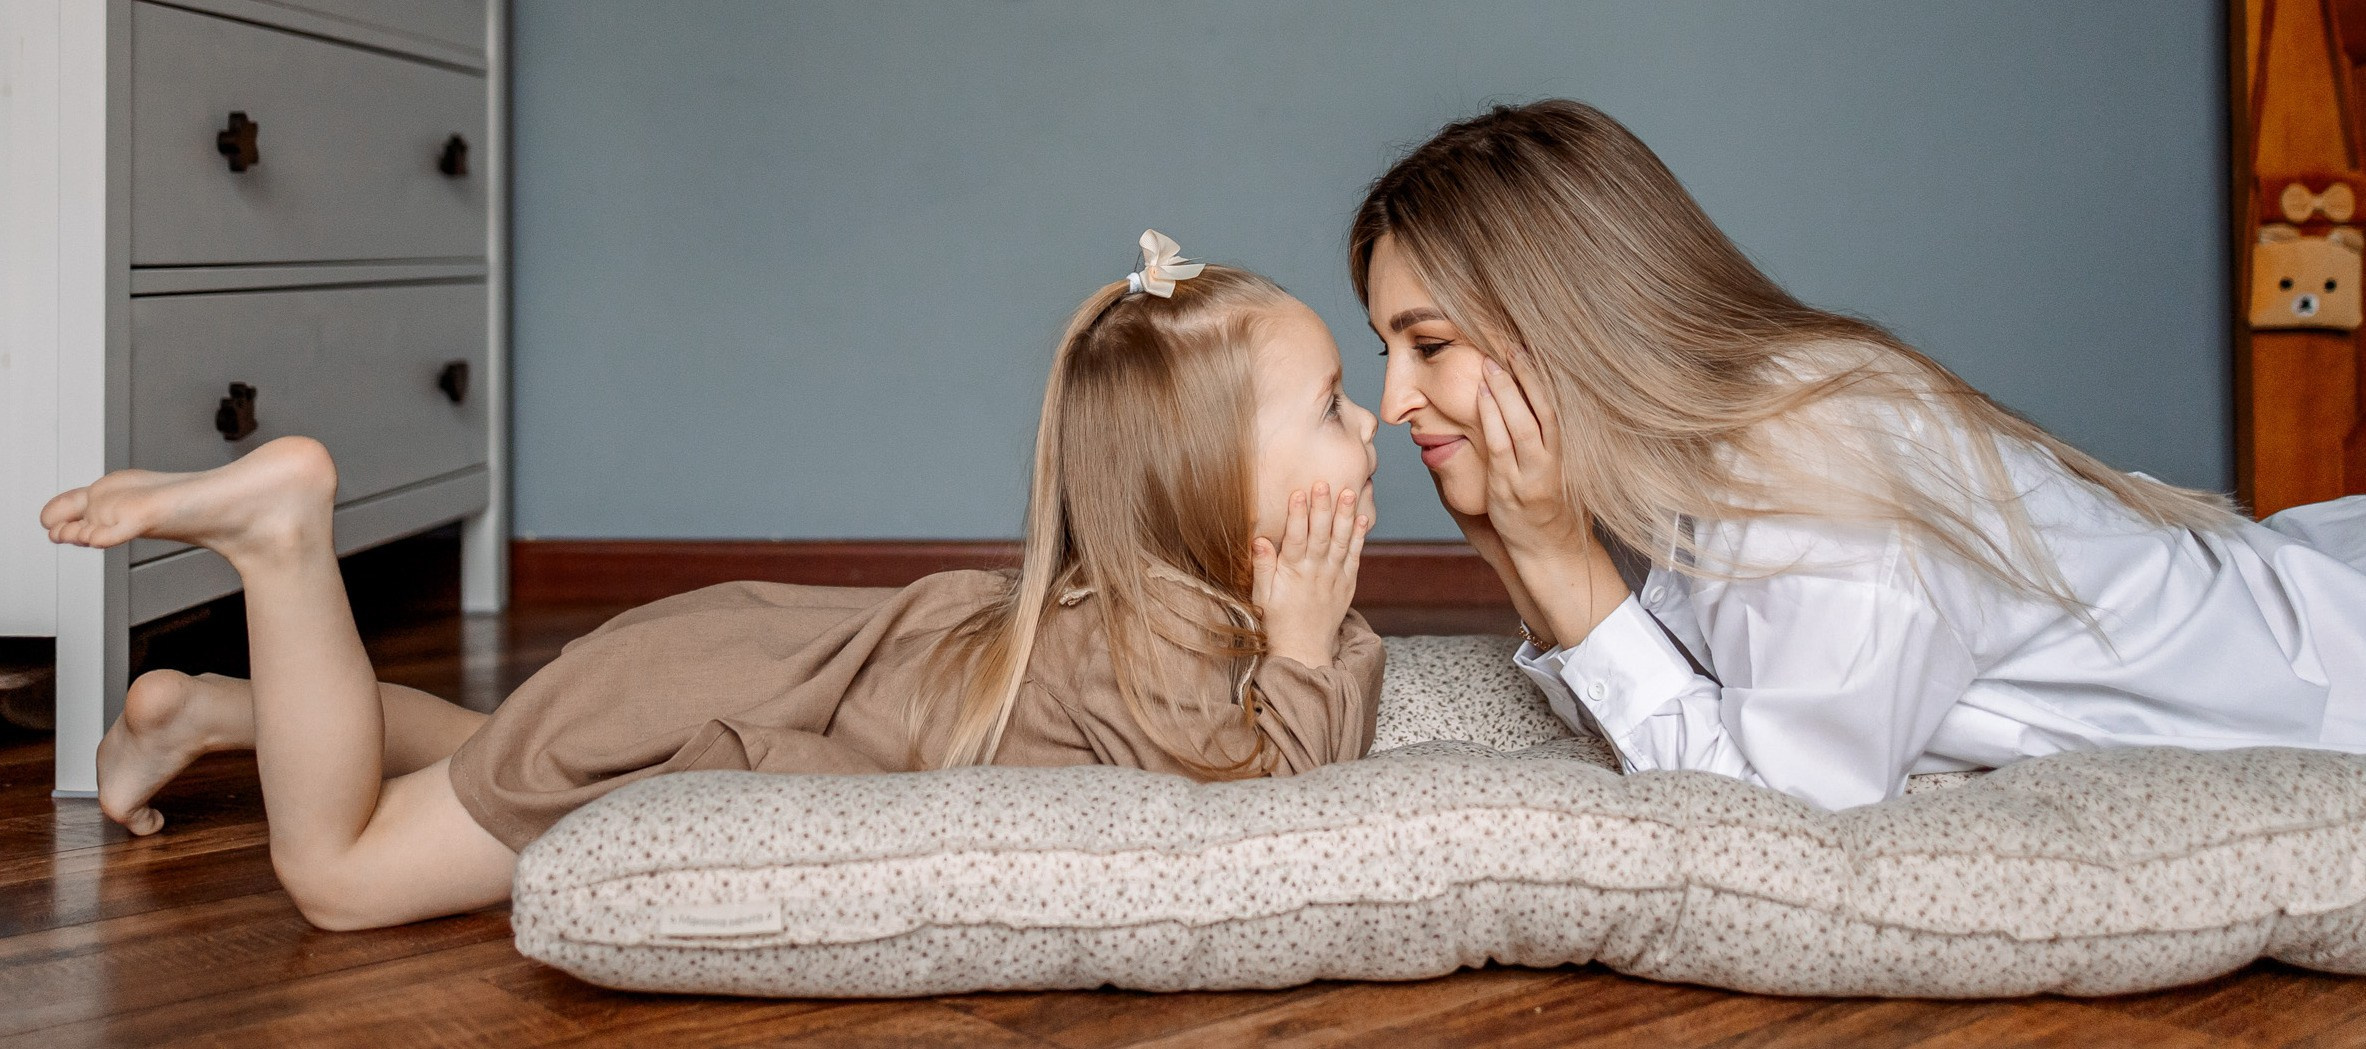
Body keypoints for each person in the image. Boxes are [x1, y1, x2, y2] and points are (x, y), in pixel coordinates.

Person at [40, 231, 1385, 929]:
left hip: (709, 666)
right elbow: (1264, 837)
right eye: (1331, 402)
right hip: (688, 706)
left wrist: (1295, 628)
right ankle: (282, 541)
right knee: (340, 874)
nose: (1370, 423)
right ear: (1212, 474)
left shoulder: (1167, 606)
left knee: (494, 757)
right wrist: (1312, 644)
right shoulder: (1165, 645)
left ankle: (217, 710)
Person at [1353, 100, 2366, 810]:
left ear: (1569, 322)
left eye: (1428, 344)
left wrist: (1554, 566)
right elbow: (1654, 702)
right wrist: (1522, 550)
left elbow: (1770, 824)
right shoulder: (1645, 476)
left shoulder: (1807, 460)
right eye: (1386, 348)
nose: (1393, 400)